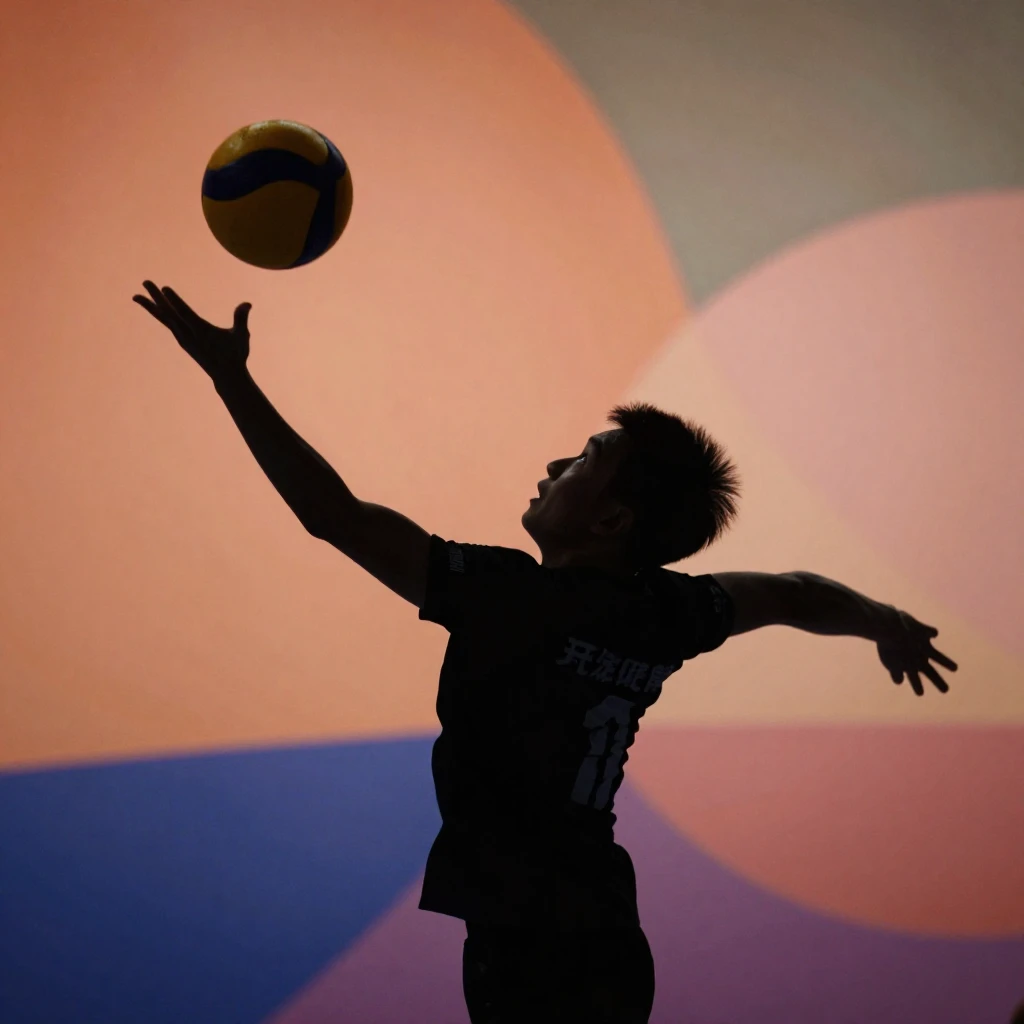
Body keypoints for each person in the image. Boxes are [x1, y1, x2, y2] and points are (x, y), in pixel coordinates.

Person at [132, 283, 959, 1023]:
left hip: (530, 944)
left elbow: (332, 513)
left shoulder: (510, 599)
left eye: (587, 460)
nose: (557, 464)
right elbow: (794, 591)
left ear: (611, 521)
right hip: (602, 932)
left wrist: (230, 376)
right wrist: (883, 620)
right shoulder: (668, 611)